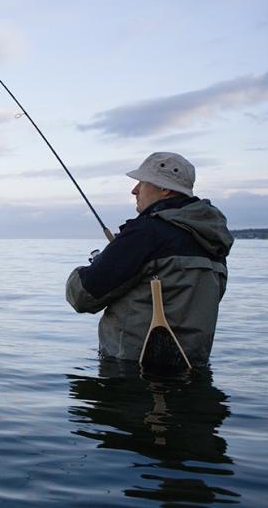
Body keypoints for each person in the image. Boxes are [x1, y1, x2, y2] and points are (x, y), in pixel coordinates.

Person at [66, 152, 234, 366]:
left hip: (132, 375)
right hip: (193, 369)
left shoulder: (146, 233)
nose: (134, 190)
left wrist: (98, 264)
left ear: (164, 189)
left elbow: (81, 296)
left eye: (142, 183)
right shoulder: (212, 242)